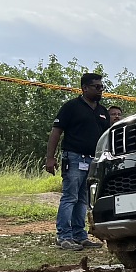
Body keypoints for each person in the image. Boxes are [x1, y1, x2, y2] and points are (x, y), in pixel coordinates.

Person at [45, 73, 110, 250]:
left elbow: (107, 137)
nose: (100, 90)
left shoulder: (103, 112)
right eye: (96, 87)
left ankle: (80, 236)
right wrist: (50, 158)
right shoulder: (71, 107)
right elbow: (56, 132)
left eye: (102, 87)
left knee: (84, 199)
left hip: (93, 161)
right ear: (84, 88)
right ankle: (64, 236)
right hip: (73, 158)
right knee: (70, 197)